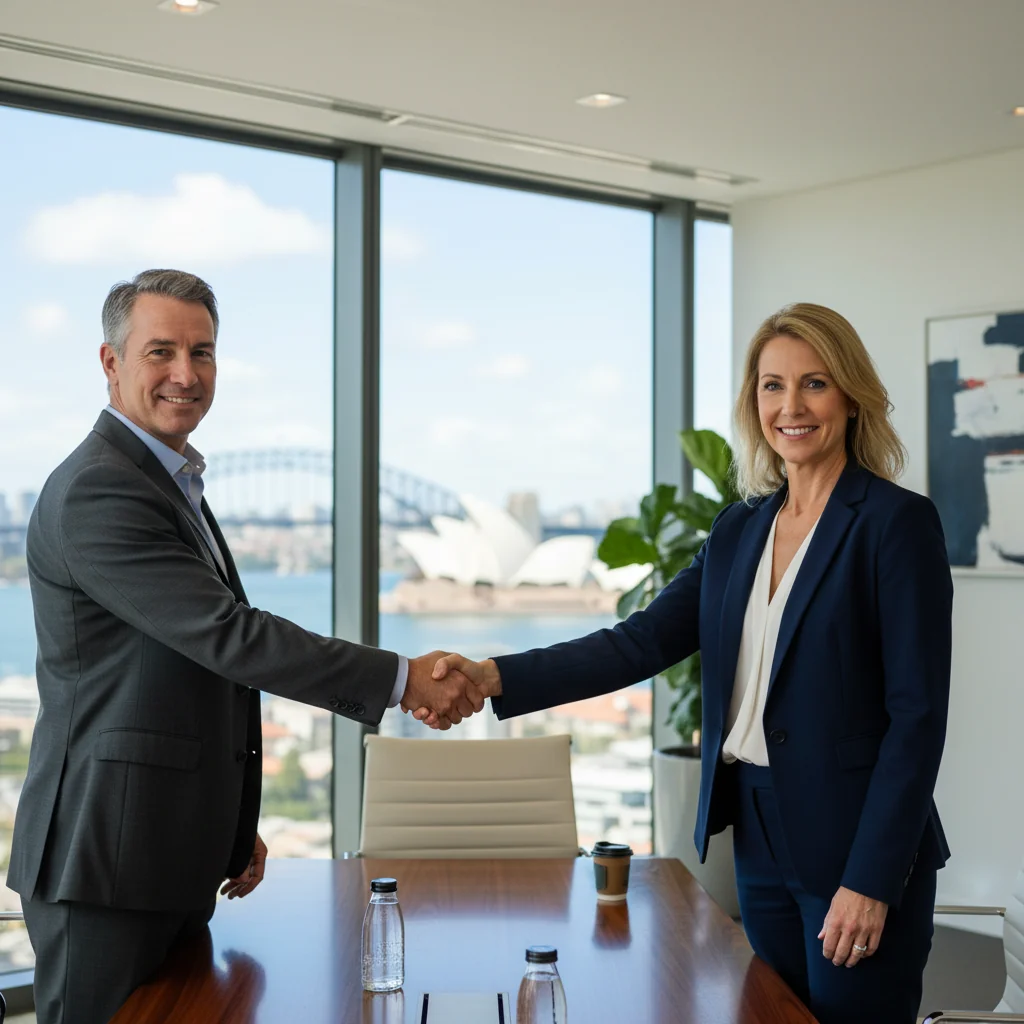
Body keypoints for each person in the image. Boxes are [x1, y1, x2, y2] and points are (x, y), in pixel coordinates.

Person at [420, 303, 952, 1024]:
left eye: (814, 384)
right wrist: (493, 676)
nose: (790, 407)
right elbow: (638, 642)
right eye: (771, 386)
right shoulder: (740, 528)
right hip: (757, 836)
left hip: (855, 842)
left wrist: (872, 880)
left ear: (851, 397)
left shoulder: (894, 523)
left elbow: (916, 720)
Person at [8, 269, 482, 1024]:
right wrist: (401, 678)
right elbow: (230, 638)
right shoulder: (102, 488)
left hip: (155, 849)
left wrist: (227, 817)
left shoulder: (165, 479)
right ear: (110, 363)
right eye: (160, 351)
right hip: (106, 865)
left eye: (203, 353)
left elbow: (182, 673)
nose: (185, 375)